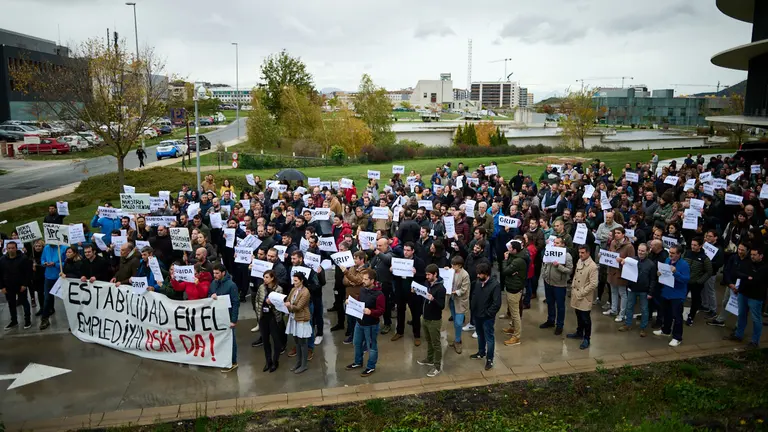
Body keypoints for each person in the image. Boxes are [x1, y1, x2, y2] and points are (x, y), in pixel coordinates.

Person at [345, 268, 385, 376]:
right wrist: (351, 302)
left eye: (366, 279)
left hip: (371, 325)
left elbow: (381, 310)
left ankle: (371, 366)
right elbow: (359, 301)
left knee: (372, 347)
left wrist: (371, 311)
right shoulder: (363, 289)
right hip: (360, 322)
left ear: (372, 281)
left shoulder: (379, 294)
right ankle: (358, 362)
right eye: (363, 279)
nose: (363, 281)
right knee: (357, 343)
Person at [724, 246, 766, 349]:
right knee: (741, 315)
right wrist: (747, 277)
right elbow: (737, 273)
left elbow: (758, 279)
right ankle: (739, 334)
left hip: (756, 297)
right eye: (751, 254)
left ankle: (755, 341)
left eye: (754, 255)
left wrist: (747, 277)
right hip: (743, 293)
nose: (752, 257)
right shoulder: (747, 263)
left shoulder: (764, 268)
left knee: (756, 319)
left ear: (761, 256)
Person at [653, 245, 690, 347]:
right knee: (667, 313)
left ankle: (677, 337)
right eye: (670, 252)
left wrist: (676, 273)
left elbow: (686, 280)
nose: (670, 255)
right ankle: (666, 330)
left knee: (677, 316)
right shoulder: (667, 260)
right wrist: (659, 273)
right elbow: (664, 272)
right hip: (667, 292)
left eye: (673, 253)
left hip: (677, 294)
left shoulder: (684, 265)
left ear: (679, 254)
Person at [415, 264, 446, 377]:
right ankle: (429, 358)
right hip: (426, 317)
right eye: (426, 274)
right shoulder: (428, 284)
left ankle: (437, 366)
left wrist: (433, 300)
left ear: (435, 274)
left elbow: (442, 306)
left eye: (429, 274)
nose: (426, 276)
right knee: (428, 340)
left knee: (436, 343)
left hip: (434, 320)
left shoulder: (441, 289)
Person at [209, 263, 240, 373]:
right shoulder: (213, 283)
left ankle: (233, 361)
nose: (215, 275)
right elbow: (209, 296)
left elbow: (236, 303)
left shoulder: (231, 285)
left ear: (223, 273)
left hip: (228, 316)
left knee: (230, 340)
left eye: (217, 273)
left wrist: (234, 320)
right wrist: (211, 297)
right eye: (214, 273)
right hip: (218, 315)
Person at [469, 262, 501, 370]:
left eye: (480, 274)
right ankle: (481, 352)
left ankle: (490, 359)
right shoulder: (478, 282)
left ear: (486, 274)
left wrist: (488, 313)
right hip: (477, 315)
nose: (478, 276)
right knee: (480, 334)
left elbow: (496, 303)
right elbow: (474, 296)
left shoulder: (495, 285)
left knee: (489, 338)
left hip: (487, 317)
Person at [619, 243, 654, 337]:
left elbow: (653, 280)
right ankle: (628, 324)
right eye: (639, 250)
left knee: (644, 310)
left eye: (643, 251)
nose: (640, 252)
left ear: (647, 252)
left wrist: (650, 292)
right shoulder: (631, 260)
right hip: (632, 288)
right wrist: (622, 264)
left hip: (644, 290)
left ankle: (643, 328)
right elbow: (625, 270)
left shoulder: (651, 264)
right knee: (629, 307)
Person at [540, 236, 574, 335]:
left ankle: (560, 325)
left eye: (558, 243)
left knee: (560, 306)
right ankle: (550, 320)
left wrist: (558, 266)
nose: (555, 244)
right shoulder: (549, 252)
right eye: (554, 243)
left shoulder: (567, 256)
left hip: (559, 285)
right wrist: (544, 275)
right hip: (548, 282)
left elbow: (569, 270)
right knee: (550, 303)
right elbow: (544, 264)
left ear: (563, 244)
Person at [567, 245, 598, 349]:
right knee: (578, 314)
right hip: (576, 293)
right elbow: (576, 275)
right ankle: (579, 332)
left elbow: (594, 284)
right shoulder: (579, 261)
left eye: (583, 253)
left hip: (584, 296)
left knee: (586, 318)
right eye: (579, 252)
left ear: (588, 253)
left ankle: (587, 338)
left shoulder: (592, 266)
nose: (580, 254)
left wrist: (582, 292)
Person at [0, 241, 32, 330]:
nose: (11, 250)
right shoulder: (2, 260)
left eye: (12, 248)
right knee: (11, 304)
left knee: (24, 302)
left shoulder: (23, 258)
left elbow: (28, 273)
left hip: (20, 285)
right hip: (8, 286)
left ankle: (27, 320)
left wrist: (25, 284)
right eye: (9, 248)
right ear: (6, 249)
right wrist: (2, 286)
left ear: (16, 248)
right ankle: (14, 320)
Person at [285, 272, 312, 374]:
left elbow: (299, 307)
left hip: (302, 318)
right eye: (293, 280)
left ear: (302, 281)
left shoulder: (305, 292)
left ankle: (304, 364)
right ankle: (298, 361)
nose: (294, 282)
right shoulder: (293, 289)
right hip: (293, 317)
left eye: (296, 281)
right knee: (296, 341)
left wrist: (289, 305)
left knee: (302, 342)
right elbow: (288, 300)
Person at [257, 270, 284, 372]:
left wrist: (271, 303)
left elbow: (280, 304)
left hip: (273, 317)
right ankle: (268, 361)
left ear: (272, 278)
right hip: (263, 317)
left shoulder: (278, 289)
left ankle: (275, 361)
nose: (265, 279)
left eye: (267, 277)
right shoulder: (261, 287)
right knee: (265, 340)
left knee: (276, 340)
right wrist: (258, 313)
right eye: (264, 277)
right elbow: (257, 300)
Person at [501, 241, 526, 346]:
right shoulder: (514, 256)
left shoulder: (518, 261)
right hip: (510, 285)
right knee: (512, 310)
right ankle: (513, 328)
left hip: (514, 289)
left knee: (515, 313)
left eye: (510, 248)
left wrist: (505, 261)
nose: (508, 249)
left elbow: (505, 271)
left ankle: (516, 336)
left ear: (515, 250)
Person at [39, 243, 64, 330]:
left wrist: (55, 264)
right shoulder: (46, 248)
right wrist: (44, 263)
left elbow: (67, 263)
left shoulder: (64, 248)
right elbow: (42, 259)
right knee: (47, 298)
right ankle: (44, 319)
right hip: (48, 276)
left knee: (67, 299)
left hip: (61, 277)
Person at [448, 256, 470, 354]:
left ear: (460, 265)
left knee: (458, 322)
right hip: (452, 300)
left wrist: (454, 292)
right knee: (455, 320)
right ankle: (457, 339)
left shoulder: (465, 275)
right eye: (451, 264)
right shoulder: (451, 271)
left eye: (454, 265)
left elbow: (464, 289)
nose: (452, 266)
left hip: (460, 301)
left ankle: (458, 341)